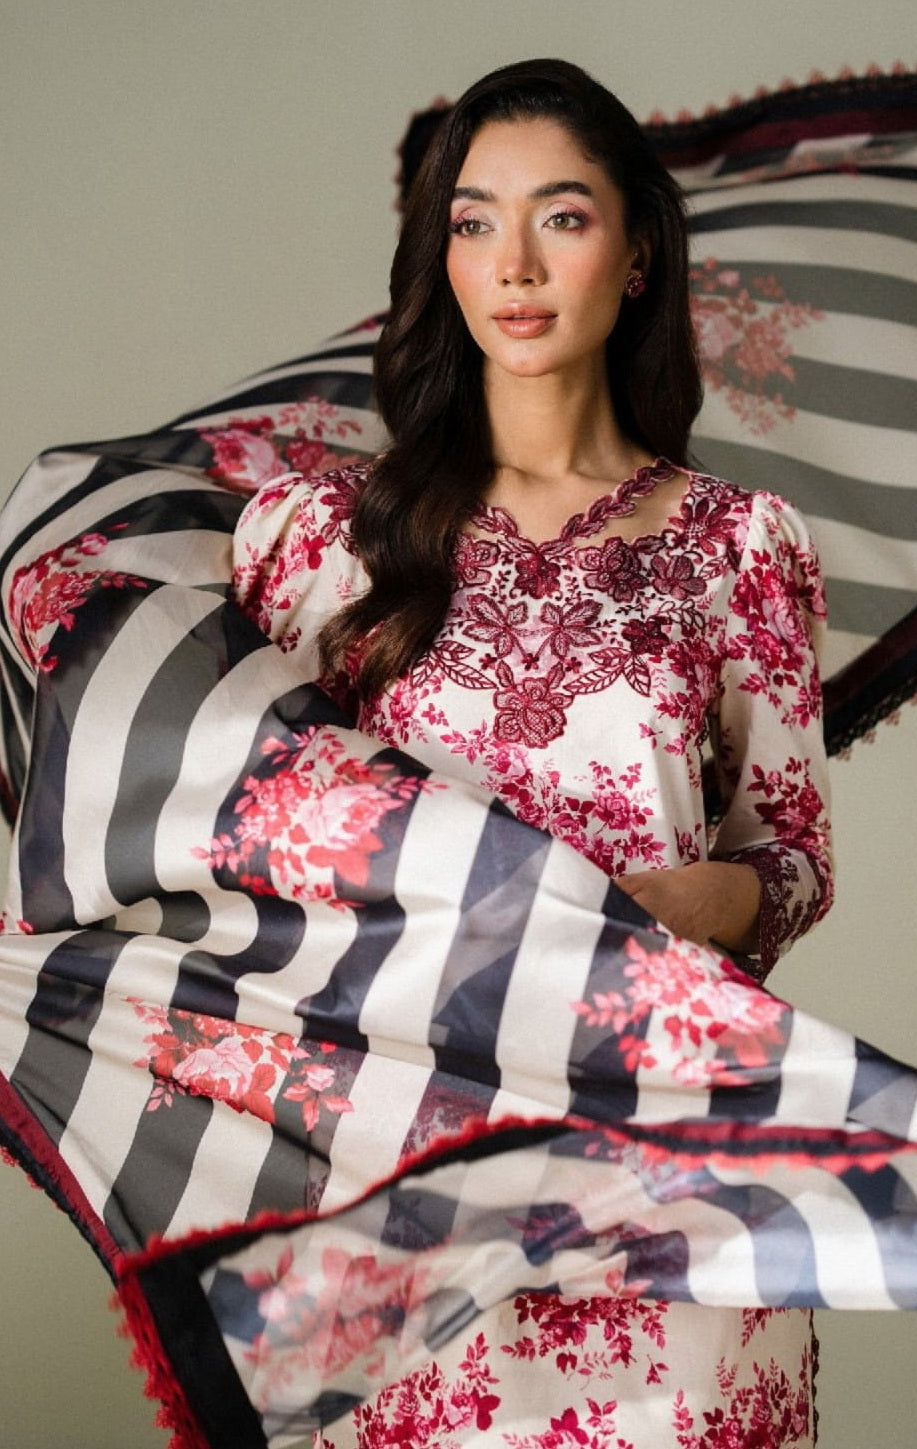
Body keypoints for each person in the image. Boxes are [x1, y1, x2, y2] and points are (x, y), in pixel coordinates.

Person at [232, 58, 833, 1449]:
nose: (512, 263)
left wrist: (693, 901)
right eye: (472, 221)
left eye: (561, 216)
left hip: (669, 1152)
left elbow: (794, 858)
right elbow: (234, 824)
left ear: (636, 254)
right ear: (438, 257)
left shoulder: (738, 545)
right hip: (398, 1165)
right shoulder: (323, 544)